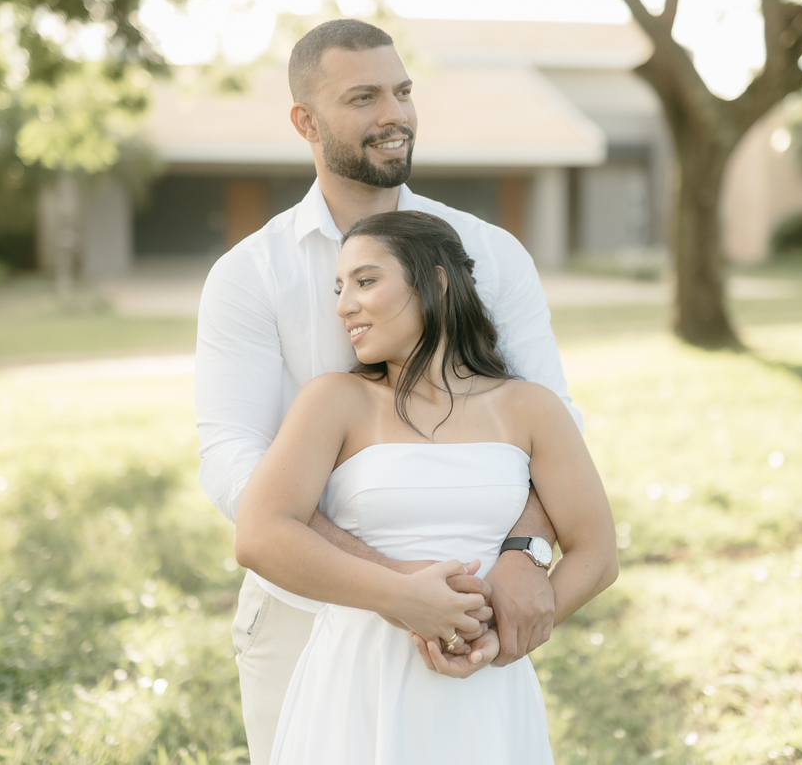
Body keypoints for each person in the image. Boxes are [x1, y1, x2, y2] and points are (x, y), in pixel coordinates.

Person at [195, 19, 581, 765]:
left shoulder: (489, 254)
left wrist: (523, 555)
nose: (394, 114)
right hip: (300, 612)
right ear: (306, 122)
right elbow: (230, 457)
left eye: (402, 91)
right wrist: (388, 579)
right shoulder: (250, 274)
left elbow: (551, 421)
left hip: (471, 610)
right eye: (363, 97)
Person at [234, 210, 618, 763]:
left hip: (487, 686)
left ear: (436, 282)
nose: (343, 306)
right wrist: (400, 596)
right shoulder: (335, 400)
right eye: (339, 289)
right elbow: (260, 534)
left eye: (365, 281)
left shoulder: (530, 408)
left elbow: (597, 553)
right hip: (361, 680)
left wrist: (505, 634)